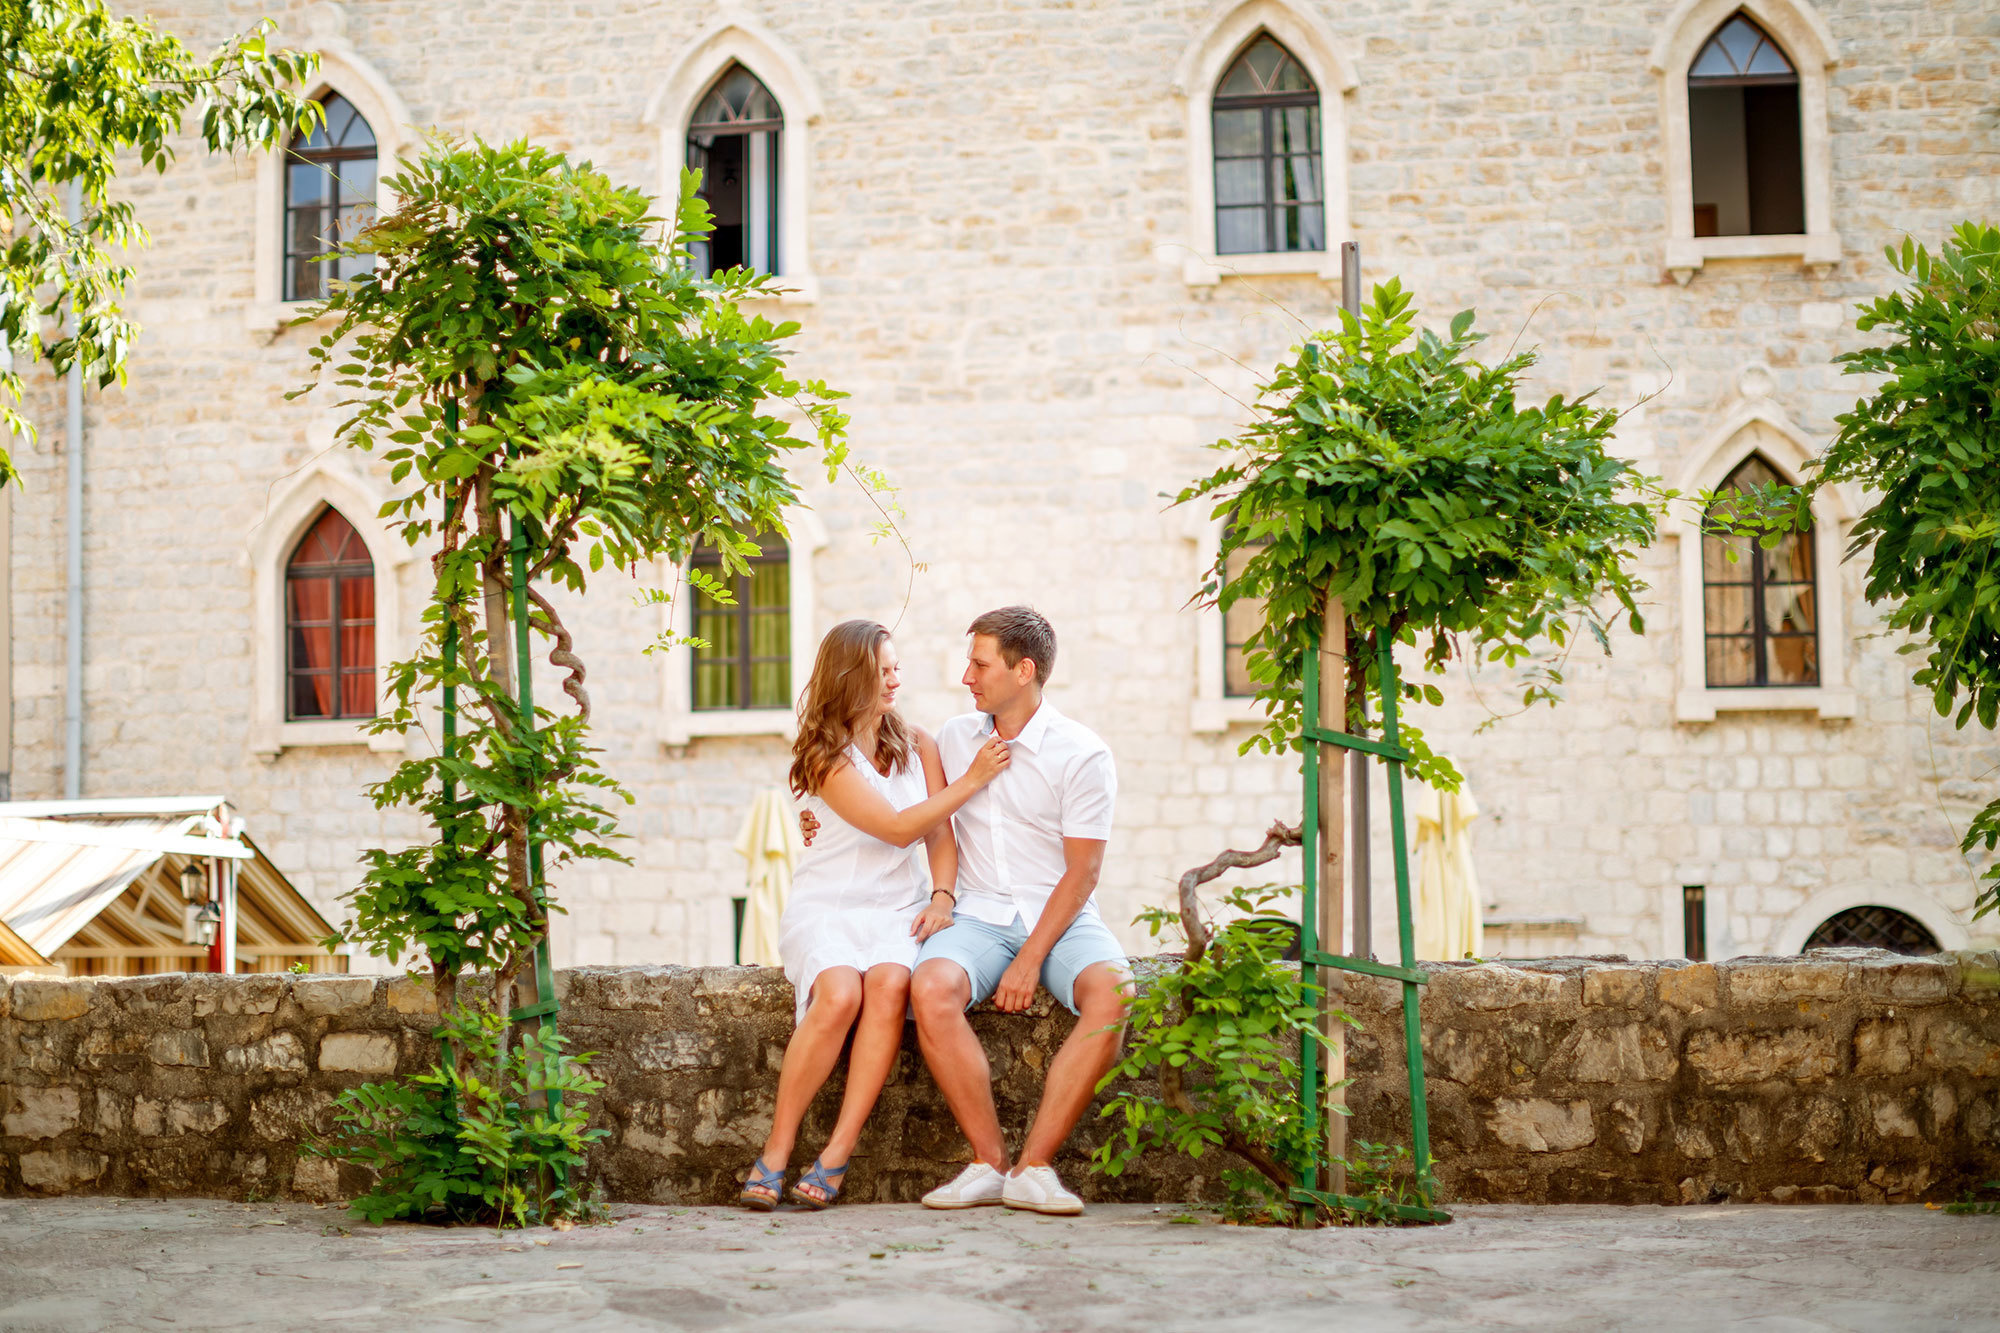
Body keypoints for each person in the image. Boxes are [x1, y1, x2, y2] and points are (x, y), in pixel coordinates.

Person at [802, 606, 1132, 1215]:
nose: (966, 677)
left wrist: (1032, 958)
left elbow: (1083, 872)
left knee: (1114, 993)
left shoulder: (1083, 753)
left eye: (979, 664)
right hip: (977, 916)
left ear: (1024, 670)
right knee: (929, 987)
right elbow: (911, 818)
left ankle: (1034, 1169)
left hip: (1058, 916)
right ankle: (988, 1164)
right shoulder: (950, 740)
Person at [739, 619, 1010, 1211]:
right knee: (838, 996)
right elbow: (896, 828)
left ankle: (837, 1152)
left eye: (896, 666)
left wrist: (942, 896)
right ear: (851, 675)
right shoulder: (822, 755)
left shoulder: (919, 743)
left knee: (889, 985)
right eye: (882, 669)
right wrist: (973, 780)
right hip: (830, 903)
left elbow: (939, 833)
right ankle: (778, 1149)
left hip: (899, 906)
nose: (895, 678)